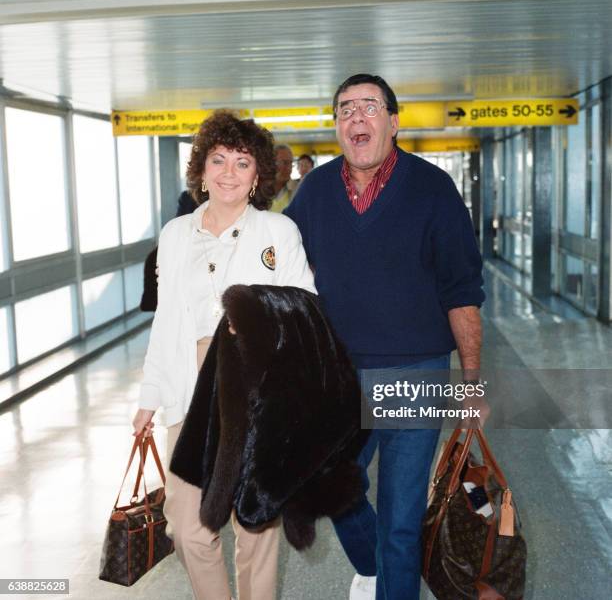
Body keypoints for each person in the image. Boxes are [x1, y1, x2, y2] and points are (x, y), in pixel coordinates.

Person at [285, 74, 485, 600]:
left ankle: (392, 579)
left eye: (369, 106)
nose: (357, 116)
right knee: (330, 484)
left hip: (413, 373)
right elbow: (278, 259)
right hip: (339, 376)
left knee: (401, 518)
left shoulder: (432, 189)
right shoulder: (316, 190)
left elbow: (462, 291)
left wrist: (471, 381)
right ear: (336, 126)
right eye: (345, 108)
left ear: (393, 123)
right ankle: (377, 567)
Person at [132, 110, 315, 600]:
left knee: (255, 526)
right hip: (189, 391)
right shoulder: (174, 237)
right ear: (202, 167)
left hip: (256, 388)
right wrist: (150, 395)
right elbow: (165, 319)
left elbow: (306, 309)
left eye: (241, 162)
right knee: (189, 527)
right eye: (219, 160)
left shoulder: (278, 232)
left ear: (258, 175)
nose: (229, 172)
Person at [270, 144, 298, 213]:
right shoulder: (258, 191)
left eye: (291, 163)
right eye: (285, 163)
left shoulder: (297, 190)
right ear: (271, 164)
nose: (289, 169)